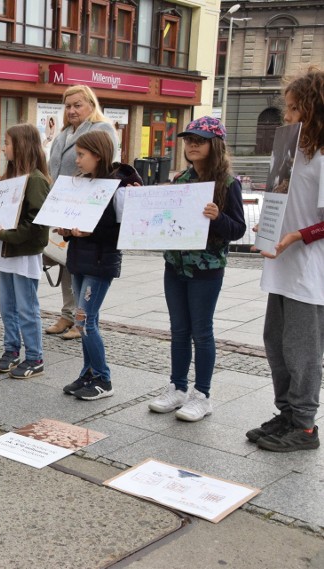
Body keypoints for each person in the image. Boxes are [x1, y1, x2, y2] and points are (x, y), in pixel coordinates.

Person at [145, 117, 245, 420]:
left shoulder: (229, 184)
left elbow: (239, 229)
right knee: (178, 330)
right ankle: (177, 387)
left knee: (201, 332)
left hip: (207, 269)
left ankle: (202, 395)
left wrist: (218, 217)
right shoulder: (183, 180)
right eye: (189, 140)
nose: (191, 145)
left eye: (199, 140)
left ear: (214, 145)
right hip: (175, 266)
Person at [247, 67, 324, 451]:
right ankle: (288, 413)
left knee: (302, 349)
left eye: (295, 109)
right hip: (281, 263)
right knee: (275, 341)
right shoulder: (294, 153)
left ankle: (306, 426)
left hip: (309, 269)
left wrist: (297, 235)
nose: (288, 116)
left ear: (314, 110)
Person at [59, 131, 143, 400]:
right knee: (83, 322)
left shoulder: (118, 187)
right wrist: (68, 231)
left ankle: (103, 380)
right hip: (79, 259)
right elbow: (76, 221)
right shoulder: (83, 183)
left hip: (99, 262)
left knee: (85, 321)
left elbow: (121, 232)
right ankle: (88, 373)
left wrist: (86, 232)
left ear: (98, 154)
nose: (78, 161)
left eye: (82, 155)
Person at [47, 85, 119, 341]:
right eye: (68, 106)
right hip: (63, 203)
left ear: (91, 104)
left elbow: (105, 168)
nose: (72, 110)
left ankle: (81, 318)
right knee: (67, 263)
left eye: (77, 105)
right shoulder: (64, 132)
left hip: (85, 202)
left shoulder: (101, 129)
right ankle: (68, 312)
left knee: (79, 263)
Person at [0, 124, 50, 379]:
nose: (3, 148)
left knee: (26, 308)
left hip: (24, 255)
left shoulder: (36, 181)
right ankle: (11, 349)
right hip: (7, 252)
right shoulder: (11, 178)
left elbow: (37, 225)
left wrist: (2, 234)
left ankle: (35, 356)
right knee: (7, 307)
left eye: (7, 143)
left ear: (21, 146)